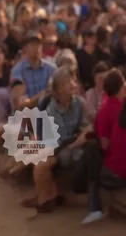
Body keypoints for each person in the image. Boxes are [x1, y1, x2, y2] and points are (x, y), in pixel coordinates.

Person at [22, 66, 90, 213]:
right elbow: (61, 136)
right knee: (39, 163)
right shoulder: (51, 109)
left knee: (39, 162)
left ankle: (46, 198)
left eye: (72, 81)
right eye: (67, 83)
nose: (73, 84)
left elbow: (85, 125)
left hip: (74, 145)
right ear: (58, 90)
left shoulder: (80, 103)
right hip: (58, 147)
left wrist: (79, 136)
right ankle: (47, 198)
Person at [82, 69, 126, 224]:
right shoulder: (120, 107)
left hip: (115, 169)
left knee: (92, 152)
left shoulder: (105, 110)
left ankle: (95, 208)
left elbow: (105, 145)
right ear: (121, 88)